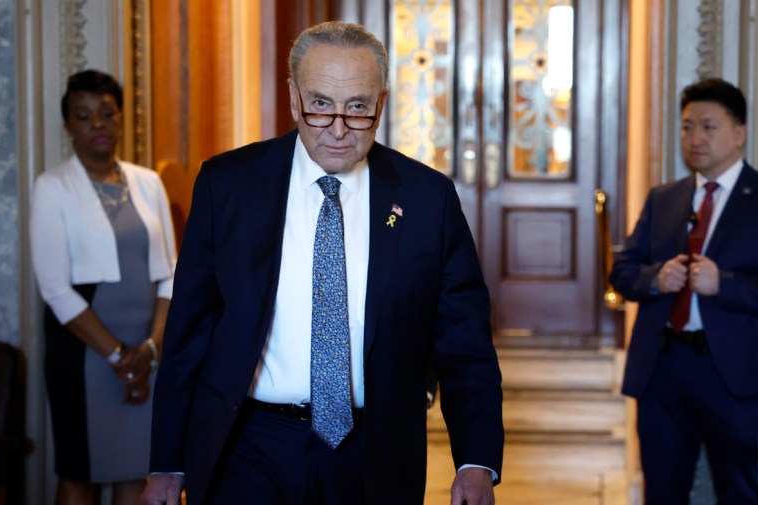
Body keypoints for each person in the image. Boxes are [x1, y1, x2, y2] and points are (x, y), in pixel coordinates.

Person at [141, 21, 503, 505]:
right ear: (294, 99)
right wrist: (167, 462)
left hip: (373, 450)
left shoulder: (426, 199)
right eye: (320, 105)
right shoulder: (228, 185)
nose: (337, 129)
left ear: (381, 104)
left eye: (357, 108)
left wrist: (475, 459)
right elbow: (188, 335)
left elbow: (464, 343)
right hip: (247, 444)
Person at [610, 77, 758, 503]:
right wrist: (654, 278)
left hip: (734, 373)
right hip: (662, 369)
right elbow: (623, 270)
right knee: (662, 492)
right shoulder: (665, 198)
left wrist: (726, 284)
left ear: (739, 134)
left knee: (738, 490)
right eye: (686, 127)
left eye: (708, 126)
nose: (694, 138)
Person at [30, 69, 177, 504]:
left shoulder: (148, 182)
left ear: (119, 120)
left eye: (106, 113)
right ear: (68, 127)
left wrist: (148, 350)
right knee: (81, 471)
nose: (97, 123)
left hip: (147, 354)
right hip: (85, 355)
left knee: (136, 468)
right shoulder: (52, 187)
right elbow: (55, 289)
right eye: (83, 115)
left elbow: (171, 274)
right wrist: (118, 356)